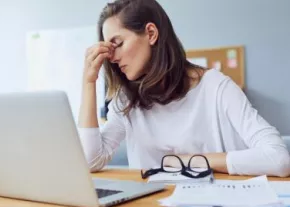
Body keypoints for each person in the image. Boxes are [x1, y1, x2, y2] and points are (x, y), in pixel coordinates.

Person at [77, 0, 290, 177]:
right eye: (108, 48)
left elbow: (278, 159)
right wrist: (88, 82)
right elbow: (91, 161)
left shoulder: (216, 87)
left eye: (118, 44)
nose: (112, 58)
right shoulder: (126, 100)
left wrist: (188, 162)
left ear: (151, 33)